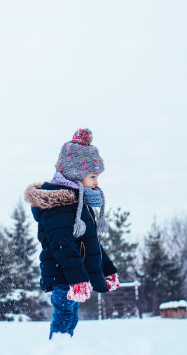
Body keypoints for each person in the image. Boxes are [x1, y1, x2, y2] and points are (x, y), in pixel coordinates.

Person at [24, 128, 120, 339]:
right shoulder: (60, 205)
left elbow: (90, 243)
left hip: (72, 277)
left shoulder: (79, 202)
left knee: (71, 319)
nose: (97, 182)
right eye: (93, 176)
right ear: (76, 174)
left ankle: (63, 353)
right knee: (64, 317)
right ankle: (56, 353)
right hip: (63, 276)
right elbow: (63, 245)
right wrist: (77, 279)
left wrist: (107, 270)